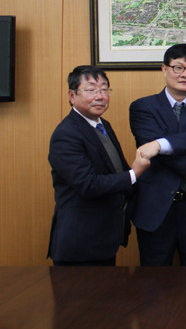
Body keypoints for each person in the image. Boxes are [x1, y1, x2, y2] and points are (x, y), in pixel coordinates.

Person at [48, 65, 151, 266]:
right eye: (91, 90)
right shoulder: (66, 134)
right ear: (72, 95)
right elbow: (88, 184)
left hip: (104, 238)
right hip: (80, 243)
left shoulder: (103, 125)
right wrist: (134, 173)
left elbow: (116, 169)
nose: (100, 96)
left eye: (104, 89)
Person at [129, 44, 186, 266]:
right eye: (178, 67)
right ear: (164, 69)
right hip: (155, 206)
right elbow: (155, 153)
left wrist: (159, 144)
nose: (185, 74)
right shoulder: (142, 107)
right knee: (154, 278)